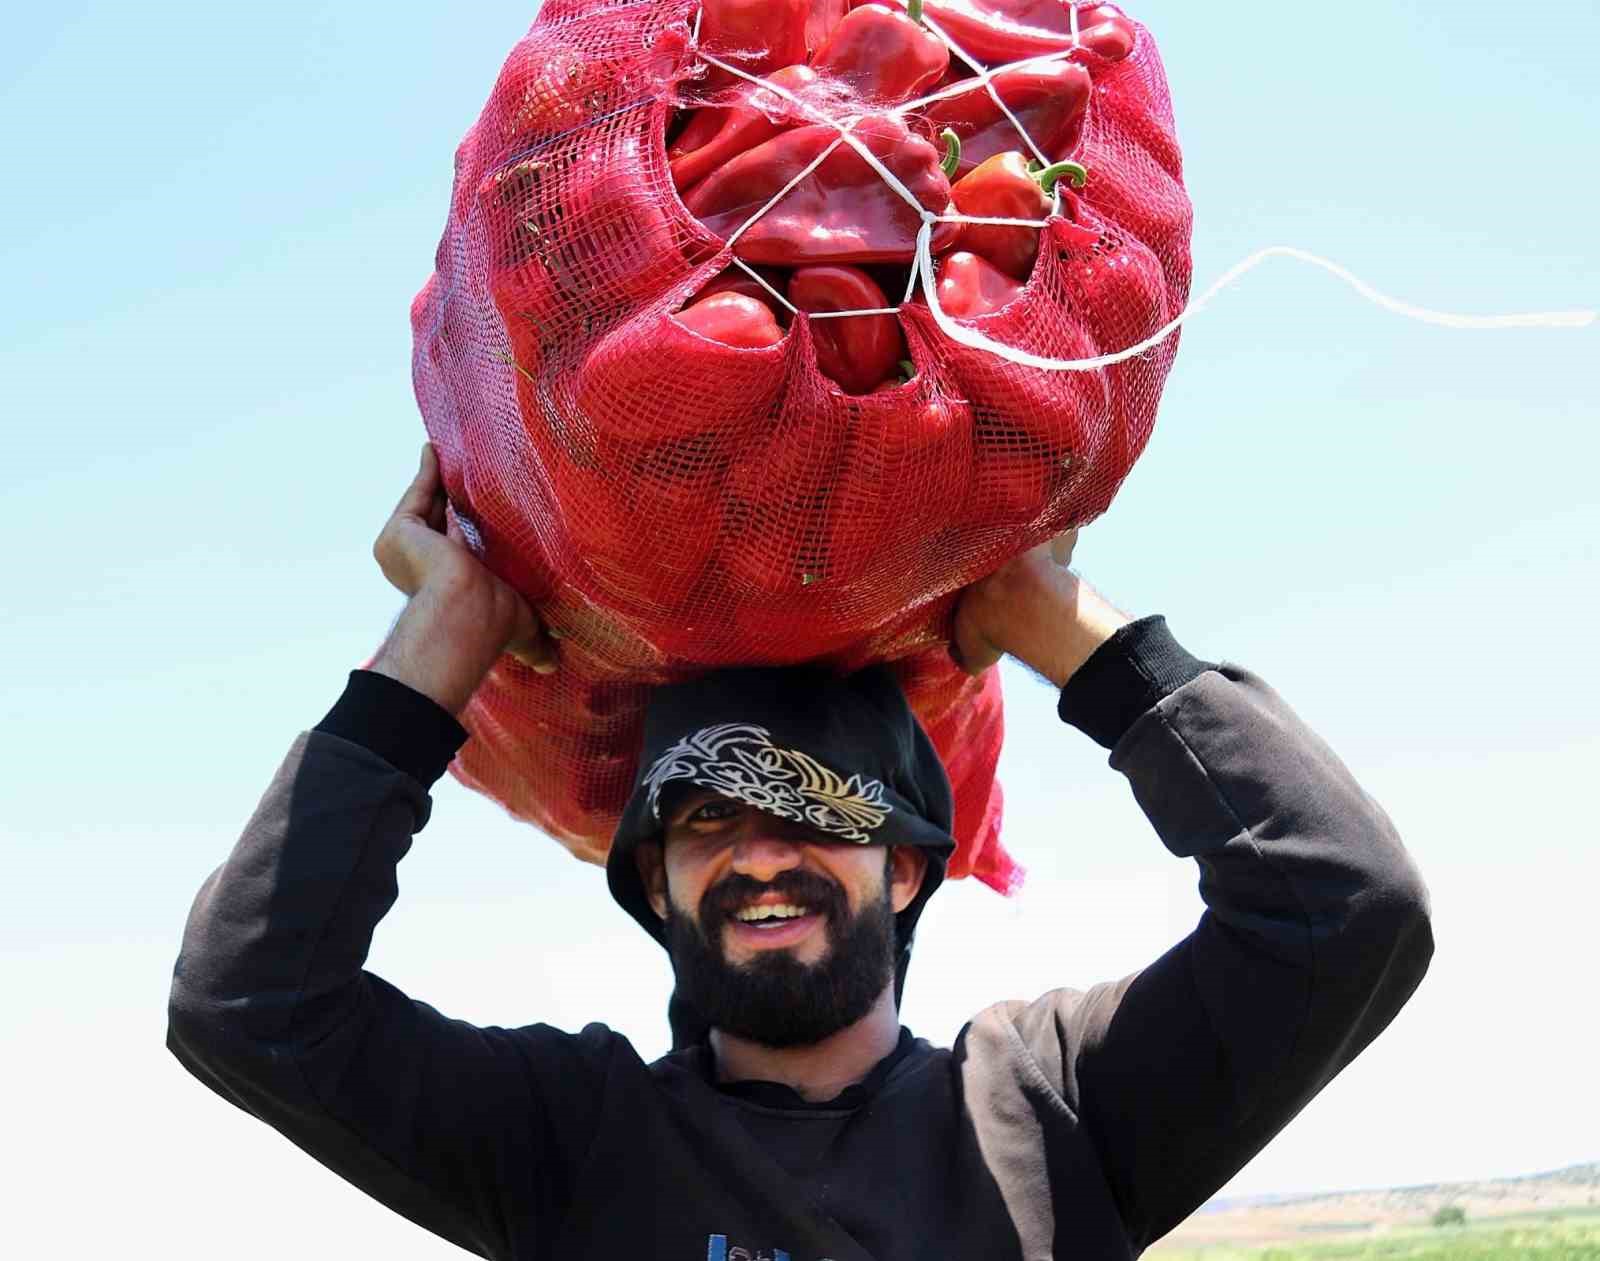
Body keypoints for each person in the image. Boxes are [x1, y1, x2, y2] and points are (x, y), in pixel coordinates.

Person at [167, 445, 1433, 1260]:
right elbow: (246, 1004)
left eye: (821, 811)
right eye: (705, 822)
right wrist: (443, 636)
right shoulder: (570, 1141)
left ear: (907, 868)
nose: (759, 855)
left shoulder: (1052, 1104)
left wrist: (1066, 632)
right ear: (655, 891)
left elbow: (1343, 908)